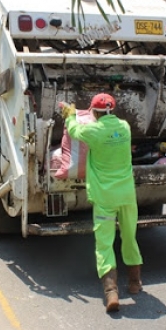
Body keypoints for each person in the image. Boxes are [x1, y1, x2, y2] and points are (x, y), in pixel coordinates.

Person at [61, 93, 143, 313]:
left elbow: (74, 131)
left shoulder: (94, 131)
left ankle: (111, 293)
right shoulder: (124, 127)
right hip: (127, 195)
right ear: (113, 110)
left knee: (105, 244)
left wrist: (70, 115)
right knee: (129, 236)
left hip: (105, 198)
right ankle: (134, 283)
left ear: (95, 113)